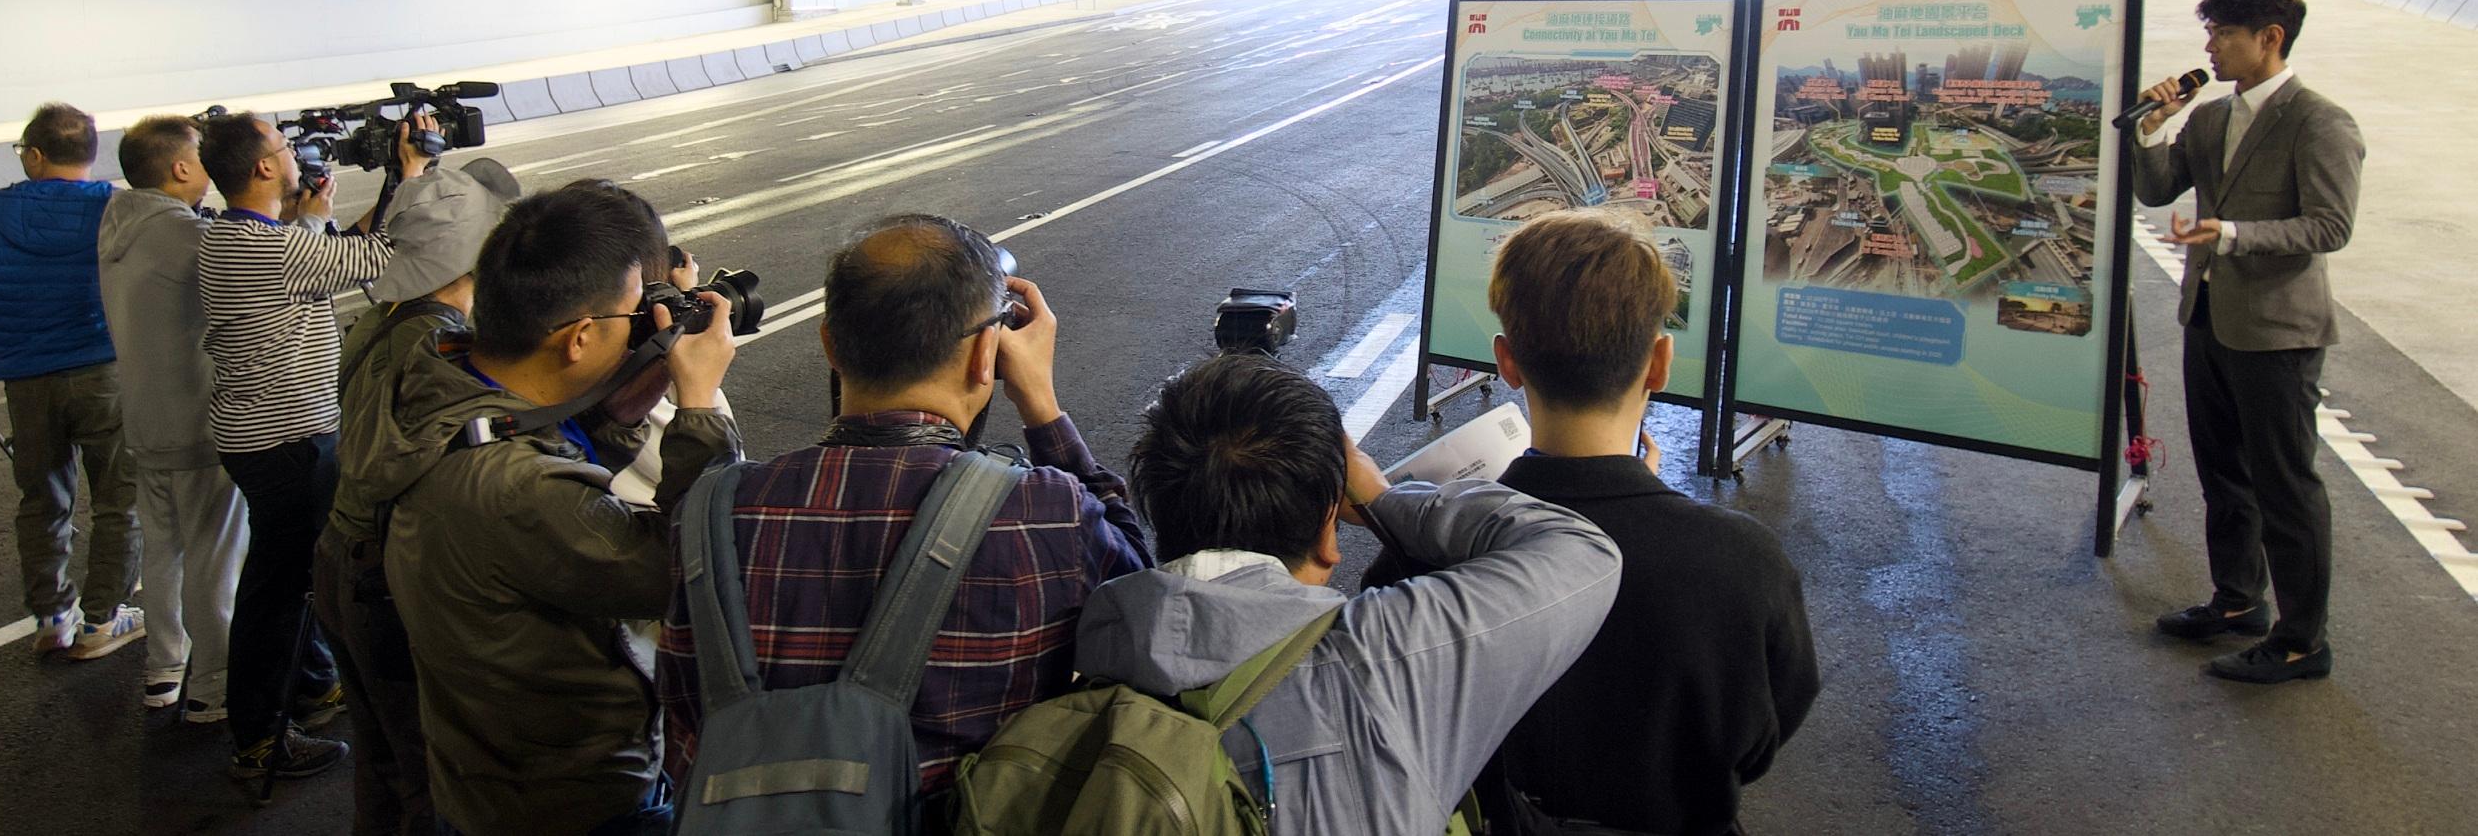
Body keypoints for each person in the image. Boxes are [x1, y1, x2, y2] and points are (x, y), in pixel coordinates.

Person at [658, 215, 1150, 797]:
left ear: (830, 345)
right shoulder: (1046, 512)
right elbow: (1140, 602)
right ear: (987, 353)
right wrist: (1041, 403)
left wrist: (695, 409)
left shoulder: (709, 511)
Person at [1072, 351, 1622, 834]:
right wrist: (1384, 498)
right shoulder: (1385, 656)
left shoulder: (1091, 655)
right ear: (1327, 536)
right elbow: (1581, 549)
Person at [379, 180, 741, 836]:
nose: (643, 331)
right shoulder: (517, 490)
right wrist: (698, 406)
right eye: (634, 318)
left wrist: (625, 403)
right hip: (568, 803)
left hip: (482, 776)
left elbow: (550, 442)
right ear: (577, 338)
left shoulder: (442, 377)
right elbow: (691, 569)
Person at [1471, 210, 1817, 833]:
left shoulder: (1428, 557)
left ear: (1508, 362)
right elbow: (1763, 736)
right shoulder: (1745, 563)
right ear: (1659, 363)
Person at [2132, 0, 2363, 685]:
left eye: (2224, 33)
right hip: (2208, 318)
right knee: (2224, 474)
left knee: (2286, 487)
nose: (2211, 46)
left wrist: (2231, 233)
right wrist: (2147, 130)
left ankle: (2301, 641)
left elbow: (2330, 226)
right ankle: (2237, 603)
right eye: (2209, 32)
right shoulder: (2208, 117)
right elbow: (2154, 187)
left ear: (2270, 38)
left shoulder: (2320, 122)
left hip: (2278, 332)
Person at [196, 111, 422, 782]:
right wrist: (407, 176)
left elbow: (325, 257)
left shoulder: (234, 236)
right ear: (265, 168)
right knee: (280, 589)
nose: (293, 153)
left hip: (260, 437)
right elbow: (380, 257)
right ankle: (260, 738)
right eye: (281, 146)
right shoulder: (274, 249)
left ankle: (310, 685)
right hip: (288, 440)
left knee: (287, 575)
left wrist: (321, 217)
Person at [314, 155, 519, 835]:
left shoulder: (378, 322)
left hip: (341, 558)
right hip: (384, 576)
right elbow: (397, 466)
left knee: (380, 762)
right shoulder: (439, 342)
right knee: (431, 769)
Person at [0, 102, 144, 660]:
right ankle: (103, 619)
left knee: (41, 499)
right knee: (119, 500)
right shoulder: (114, 209)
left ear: (34, 155)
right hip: (103, 371)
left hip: (26, 378)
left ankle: (53, 615)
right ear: (87, 154)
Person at [97, 116, 250, 722]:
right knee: (216, 558)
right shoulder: (184, 236)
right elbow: (262, 268)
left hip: (144, 417)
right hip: (197, 422)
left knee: (164, 552)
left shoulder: (120, 227)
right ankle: (215, 683)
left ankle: (164, 667)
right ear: (182, 168)